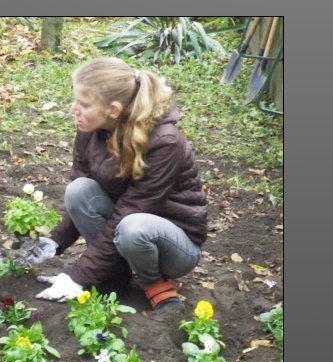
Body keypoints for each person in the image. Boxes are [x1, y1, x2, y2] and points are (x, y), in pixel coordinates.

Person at [24, 57, 207, 312]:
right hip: (125, 229)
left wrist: (77, 277)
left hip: (174, 246)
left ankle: (154, 284)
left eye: (84, 104)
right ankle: (114, 277)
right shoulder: (90, 130)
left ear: (113, 110)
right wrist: (53, 241)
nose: (73, 110)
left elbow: (131, 210)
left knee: (133, 227)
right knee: (79, 190)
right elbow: (81, 197)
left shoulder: (165, 142)